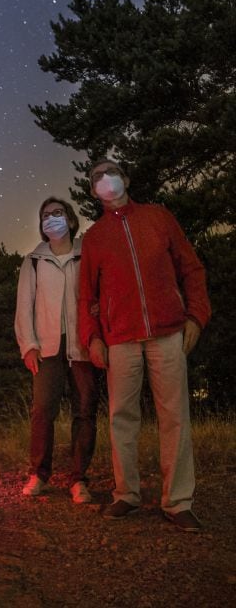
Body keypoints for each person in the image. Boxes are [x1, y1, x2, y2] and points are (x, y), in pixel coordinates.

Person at [78, 160, 211, 531]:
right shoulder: (94, 238)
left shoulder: (158, 217)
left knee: (175, 417)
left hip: (167, 333)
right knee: (122, 418)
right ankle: (126, 494)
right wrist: (93, 337)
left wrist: (197, 315)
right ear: (93, 191)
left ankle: (178, 501)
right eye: (97, 177)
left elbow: (192, 269)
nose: (105, 180)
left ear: (126, 179)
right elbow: (86, 296)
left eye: (111, 172)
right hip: (120, 339)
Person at [14, 198, 99, 503]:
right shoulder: (33, 261)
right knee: (42, 411)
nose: (52, 219)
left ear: (70, 219)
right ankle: (39, 474)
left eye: (58, 213)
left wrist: (98, 337)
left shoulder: (86, 254)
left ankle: (79, 479)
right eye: (46, 215)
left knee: (85, 411)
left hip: (83, 344)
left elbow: (98, 295)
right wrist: (29, 345)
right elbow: (24, 307)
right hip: (47, 346)